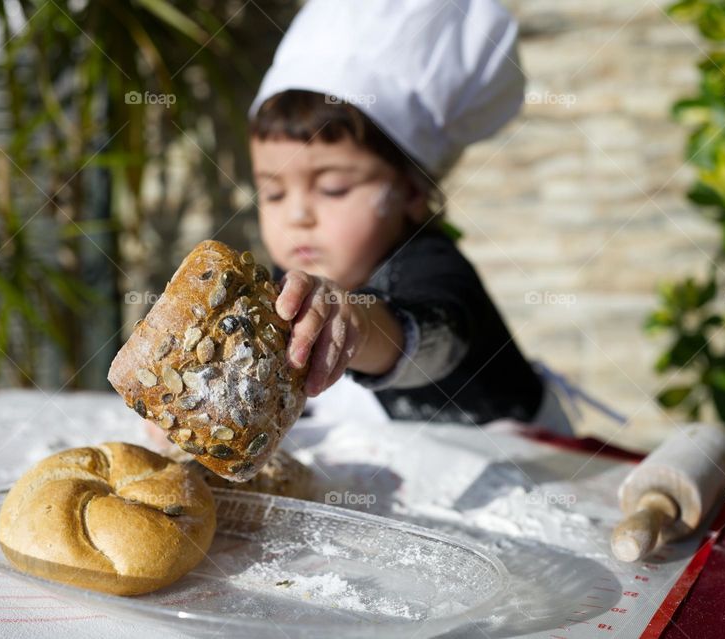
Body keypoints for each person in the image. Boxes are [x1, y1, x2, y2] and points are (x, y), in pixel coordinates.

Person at [244, 0, 575, 434]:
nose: (297, 214)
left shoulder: (432, 267)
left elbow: (433, 340)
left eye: (333, 188)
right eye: (273, 191)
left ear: (413, 190)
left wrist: (356, 328)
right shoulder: (284, 285)